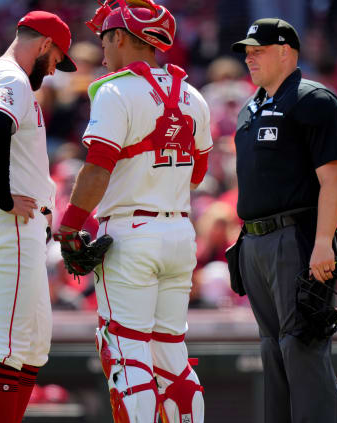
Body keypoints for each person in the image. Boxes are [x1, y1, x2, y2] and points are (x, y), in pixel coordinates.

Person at [54, 1, 210, 421]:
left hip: (129, 234)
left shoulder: (115, 90)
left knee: (126, 353)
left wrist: (68, 229)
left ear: (119, 37)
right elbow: (198, 174)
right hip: (179, 234)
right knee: (172, 357)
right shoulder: (193, 95)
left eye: (104, 36)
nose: (102, 48)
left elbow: (96, 170)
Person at [0, 10, 76, 423]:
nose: (57, 68)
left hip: (8, 219)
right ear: (44, 44)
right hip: (5, 218)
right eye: (58, 57)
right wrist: (6, 198)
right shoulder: (11, 77)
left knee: (32, 345)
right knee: (10, 345)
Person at [231, 18, 337, 423]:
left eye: (257, 49)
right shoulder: (250, 107)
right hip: (256, 241)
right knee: (271, 347)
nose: (249, 57)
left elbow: (331, 178)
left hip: (296, 236)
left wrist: (322, 242)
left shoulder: (314, 99)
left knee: (302, 344)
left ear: (285, 51)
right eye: (247, 51)